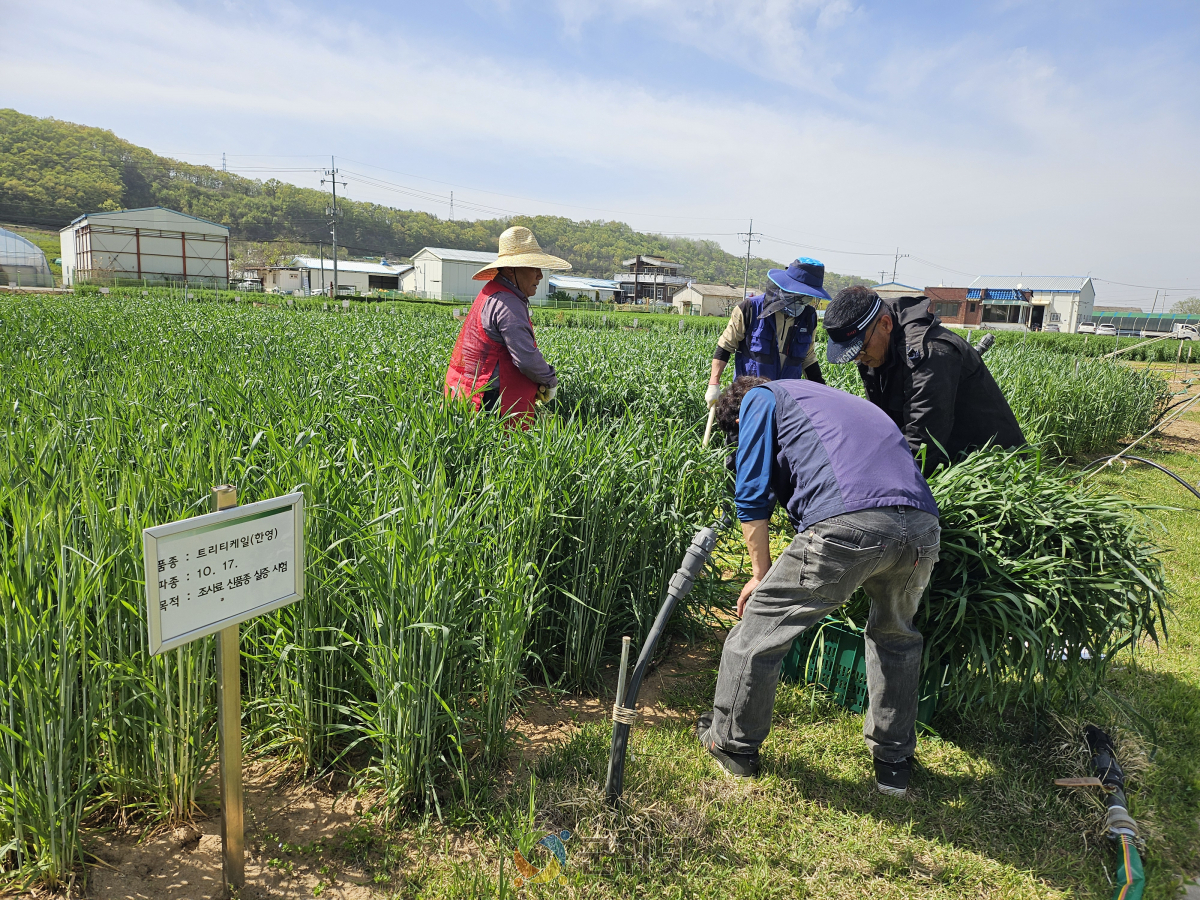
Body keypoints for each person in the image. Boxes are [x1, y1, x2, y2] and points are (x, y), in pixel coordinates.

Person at [697, 375, 941, 797]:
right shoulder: (831, 401)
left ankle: (732, 745)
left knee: (757, 633)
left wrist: (760, 574)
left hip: (849, 524)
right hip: (922, 527)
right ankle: (893, 765)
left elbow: (752, 492)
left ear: (736, 417)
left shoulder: (758, 399)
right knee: (896, 639)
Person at [824, 285, 1025, 472]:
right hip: (946, 455)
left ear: (885, 324)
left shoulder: (931, 355)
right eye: (852, 355)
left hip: (993, 467)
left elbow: (921, 450)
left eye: (860, 349)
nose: (859, 359)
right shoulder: (874, 348)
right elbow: (884, 423)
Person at [444, 226, 569, 423]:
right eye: (534, 268)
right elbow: (526, 359)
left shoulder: (493, 292)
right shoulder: (508, 303)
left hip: (468, 393)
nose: (540, 276)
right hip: (488, 401)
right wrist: (550, 381)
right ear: (511, 269)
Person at [704, 257, 831, 409]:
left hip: (785, 402)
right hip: (749, 399)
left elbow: (808, 359)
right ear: (786, 289)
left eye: (807, 299)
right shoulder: (749, 309)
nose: (802, 304)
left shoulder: (809, 317)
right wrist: (713, 383)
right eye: (799, 298)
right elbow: (725, 347)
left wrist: (824, 393)